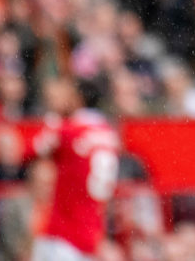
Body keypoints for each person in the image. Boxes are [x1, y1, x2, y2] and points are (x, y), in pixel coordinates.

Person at [29, 77, 121, 261]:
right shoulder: (109, 133)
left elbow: (30, 150)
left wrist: (55, 117)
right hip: (92, 233)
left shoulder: (68, 131)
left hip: (63, 234)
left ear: (77, 98)